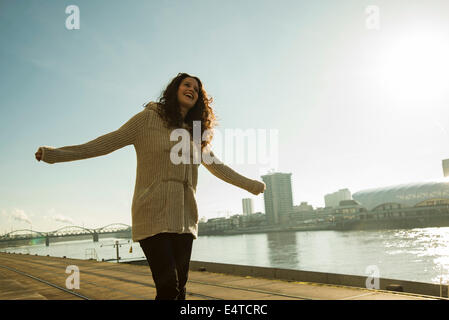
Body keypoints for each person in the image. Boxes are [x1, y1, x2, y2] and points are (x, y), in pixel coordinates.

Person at [35, 72, 266, 300]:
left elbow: (219, 167)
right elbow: (106, 143)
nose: (192, 90)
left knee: (180, 289)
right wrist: (54, 154)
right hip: (152, 214)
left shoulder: (195, 134)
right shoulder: (148, 119)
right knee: (168, 288)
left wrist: (251, 185)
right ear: (175, 89)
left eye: (197, 89)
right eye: (187, 85)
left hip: (185, 221)